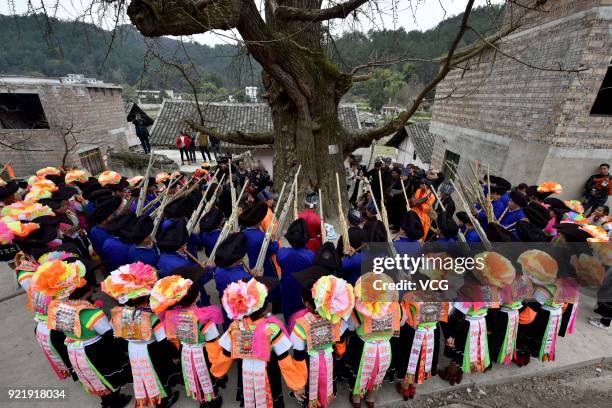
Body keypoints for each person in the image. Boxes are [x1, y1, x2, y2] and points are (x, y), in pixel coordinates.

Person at [44, 259, 132, 407]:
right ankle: (114, 401)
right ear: (88, 288)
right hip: (95, 351)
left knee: (93, 377)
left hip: (75, 350)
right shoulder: (91, 313)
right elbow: (109, 334)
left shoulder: (59, 306)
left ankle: (106, 401)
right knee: (105, 375)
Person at [211, 278, 307, 408]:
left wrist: (217, 372)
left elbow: (226, 355)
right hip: (269, 370)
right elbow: (284, 360)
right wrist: (297, 385)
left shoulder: (235, 327)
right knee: (272, 398)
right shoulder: (272, 329)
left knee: (250, 397)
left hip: (246, 371)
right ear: (264, 308)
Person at [101, 262, 181, 408]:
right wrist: (174, 354)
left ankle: (152, 397)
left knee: (142, 375)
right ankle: (163, 401)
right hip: (151, 350)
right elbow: (164, 341)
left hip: (133, 349)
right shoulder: (152, 317)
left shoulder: (119, 314)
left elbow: (116, 336)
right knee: (156, 374)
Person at [150, 270, 224, 407]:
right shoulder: (204, 318)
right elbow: (213, 342)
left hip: (185, 351)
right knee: (206, 375)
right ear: (197, 297)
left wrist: (177, 353)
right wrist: (218, 363)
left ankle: (202, 400)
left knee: (193, 376)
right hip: (202, 353)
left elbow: (173, 338)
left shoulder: (171, 316)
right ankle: (211, 401)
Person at [290, 272, 354, 408]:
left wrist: (298, 382)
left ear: (306, 303)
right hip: (329, 359)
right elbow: (340, 344)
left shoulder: (301, 324)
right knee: (327, 382)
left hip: (309, 362)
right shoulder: (336, 320)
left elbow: (299, 356)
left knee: (311, 386)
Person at [345, 273, 406, 407]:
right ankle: (370, 399)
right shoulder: (397, 306)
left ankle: (356, 400)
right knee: (379, 373)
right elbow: (402, 322)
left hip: (363, 348)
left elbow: (350, 327)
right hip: (385, 348)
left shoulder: (360, 309)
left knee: (360, 374)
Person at [276, 219, 315, 322]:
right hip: (303, 290)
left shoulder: (282, 253)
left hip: (287, 288)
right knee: (303, 316)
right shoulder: (311, 256)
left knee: (288, 313)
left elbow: (279, 260)